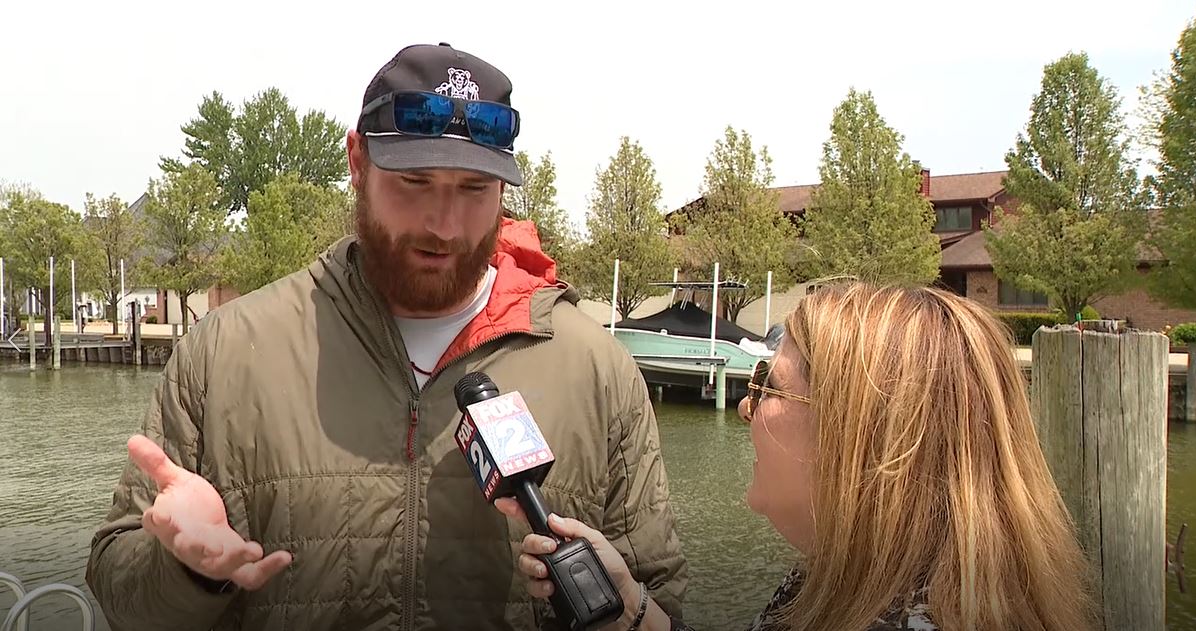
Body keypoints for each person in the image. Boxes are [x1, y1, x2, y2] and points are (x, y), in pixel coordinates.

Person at [85, 42, 687, 631]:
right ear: (357, 163)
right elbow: (121, 594)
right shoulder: (224, 354)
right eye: (415, 182)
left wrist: (622, 612)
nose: (444, 224)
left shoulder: (598, 371)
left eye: (474, 190)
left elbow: (663, 601)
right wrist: (188, 571)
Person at [497, 280, 1101, 631]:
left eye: (765, 386)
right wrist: (628, 606)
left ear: (860, 436)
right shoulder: (839, 582)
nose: (744, 409)